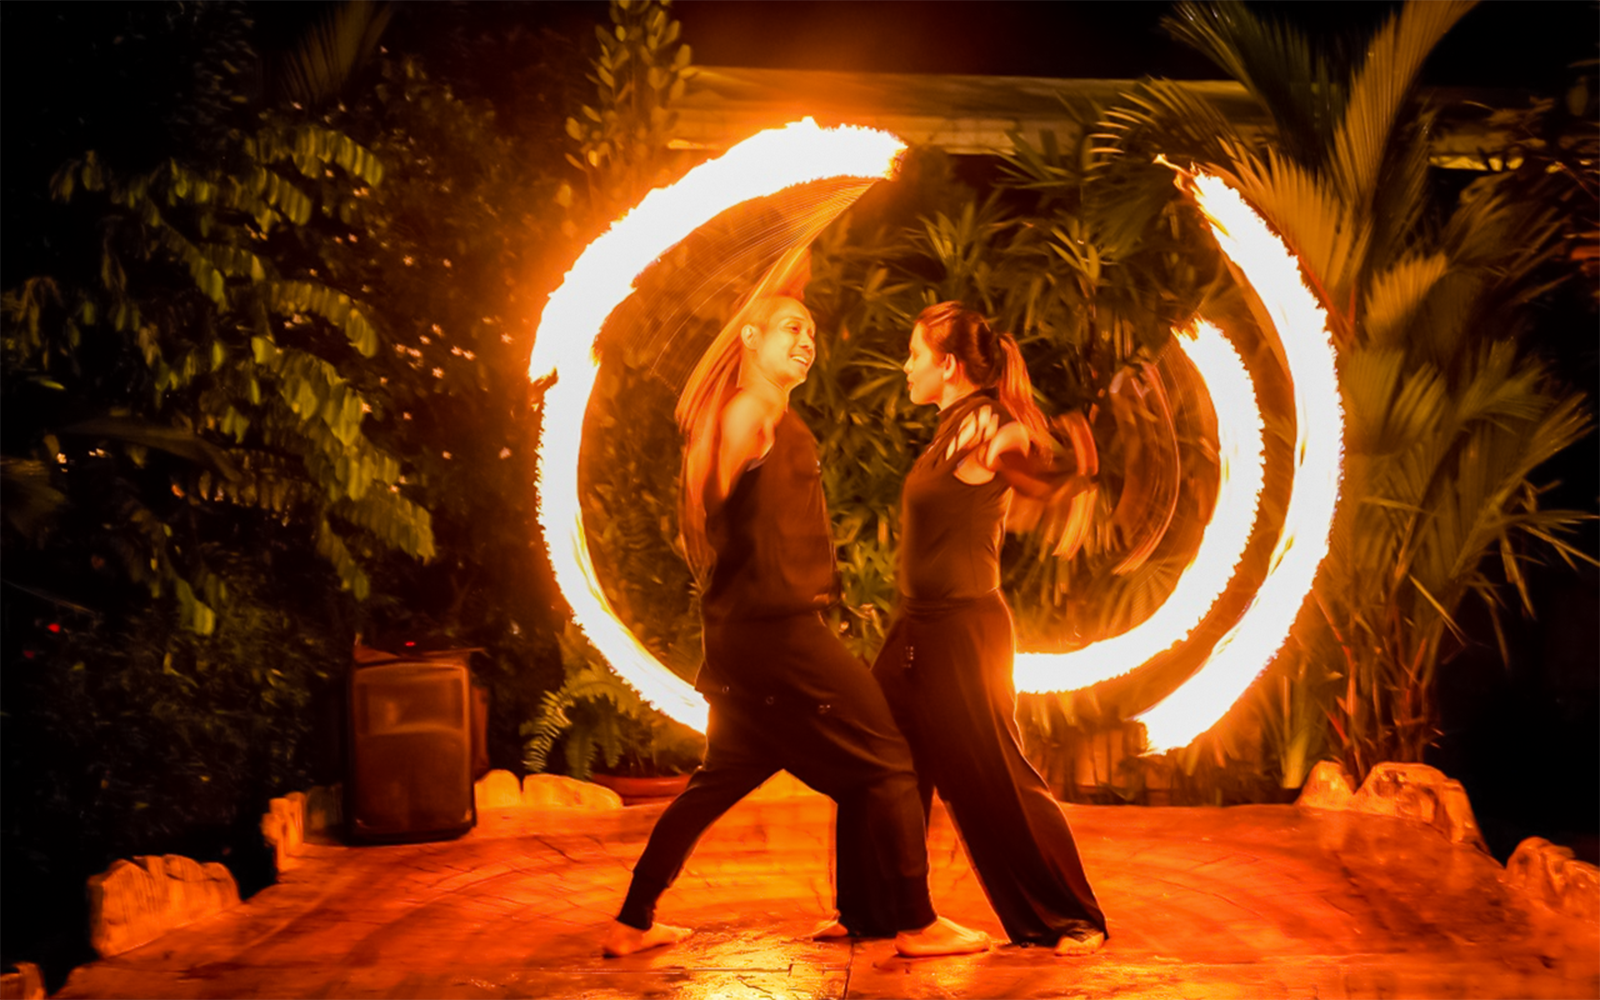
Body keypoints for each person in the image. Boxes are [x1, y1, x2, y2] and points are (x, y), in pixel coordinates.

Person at [601, 292, 989, 959]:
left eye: (810, 330)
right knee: (890, 759)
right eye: (789, 328)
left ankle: (633, 918)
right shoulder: (750, 411)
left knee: (723, 774)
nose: (806, 339)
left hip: (742, 639)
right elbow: (710, 494)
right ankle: (917, 923)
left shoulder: (766, 413)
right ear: (749, 337)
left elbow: (715, 501)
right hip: (779, 636)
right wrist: (710, 471)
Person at [840, 301, 1108, 955]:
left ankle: (1072, 918)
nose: (905, 367)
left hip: (965, 634)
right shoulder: (946, 429)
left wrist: (1052, 463)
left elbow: (1021, 455)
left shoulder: (985, 422)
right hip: (914, 631)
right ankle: (877, 912)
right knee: (872, 759)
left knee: (996, 772)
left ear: (949, 366)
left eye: (914, 355)